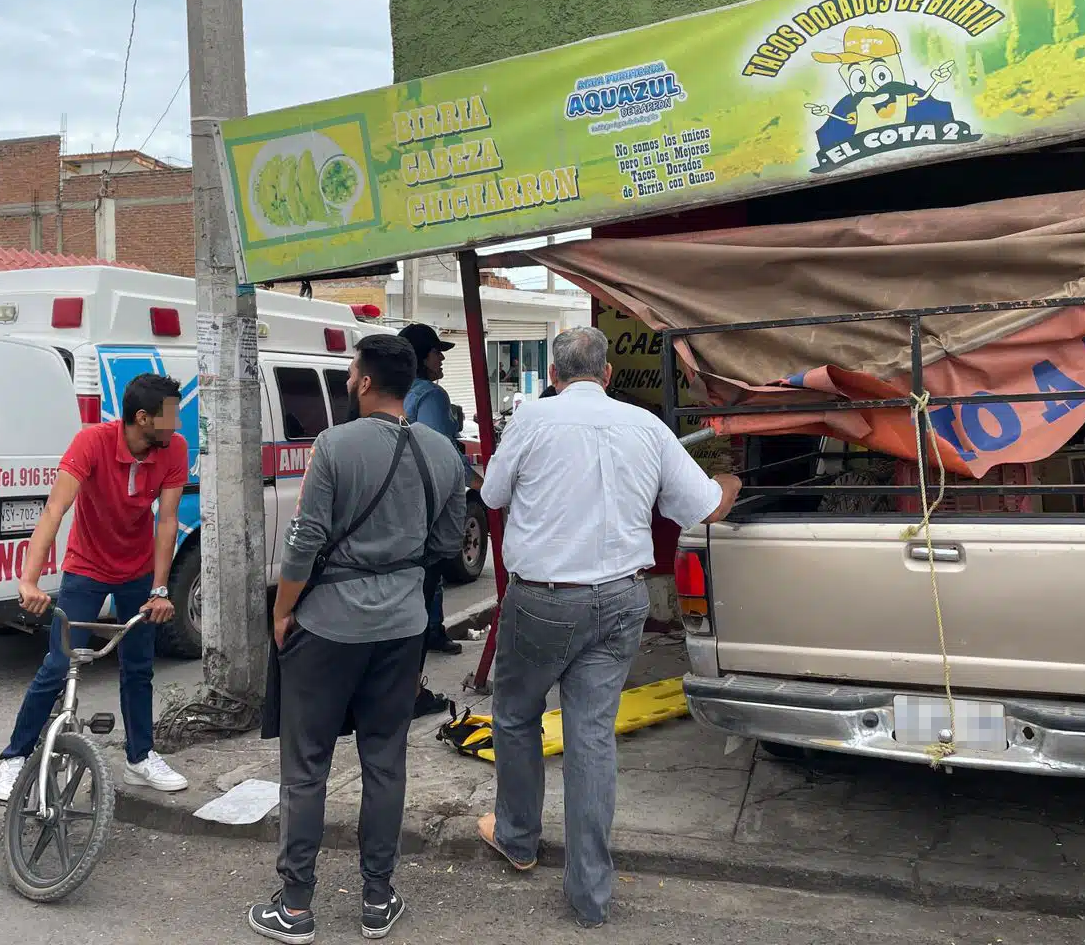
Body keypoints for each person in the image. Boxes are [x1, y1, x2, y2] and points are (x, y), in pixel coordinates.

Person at [477, 326, 742, 928]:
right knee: (591, 737)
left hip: (543, 599)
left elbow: (492, 494)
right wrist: (731, 482)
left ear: (552, 374)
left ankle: (518, 839)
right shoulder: (645, 427)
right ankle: (590, 894)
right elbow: (703, 506)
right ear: (608, 374)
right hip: (622, 599)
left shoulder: (532, 421)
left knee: (516, 715)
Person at [249, 334, 467, 944]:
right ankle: (377, 899)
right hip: (402, 628)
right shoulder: (443, 452)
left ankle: (294, 908)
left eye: (350, 373)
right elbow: (448, 542)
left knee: (307, 766)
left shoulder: (333, 444)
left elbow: (303, 540)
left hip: (327, 626)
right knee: (385, 761)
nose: (348, 381)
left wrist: (282, 612)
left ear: (365, 382)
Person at [0, 373, 190, 803]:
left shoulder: (173, 449)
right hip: (87, 566)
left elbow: (168, 520)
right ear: (142, 418)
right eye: (170, 417)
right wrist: (29, 579)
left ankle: (141, 757)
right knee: (59, 663)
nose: (176, 427)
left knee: (138, 667)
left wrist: (160, 587)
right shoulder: (93, 442)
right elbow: (55, 510)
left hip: (137, 571)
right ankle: (15, 757)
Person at [398, 322, 465, 661]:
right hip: (428, 500)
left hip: (397, 501)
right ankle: (416, 674)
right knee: (431, 568)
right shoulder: (431, 395)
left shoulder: (394, 391)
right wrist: (477, 481)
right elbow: (442, 451)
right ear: (423, 357)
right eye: (438, 352)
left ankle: (431, 630)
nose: (442, 359)